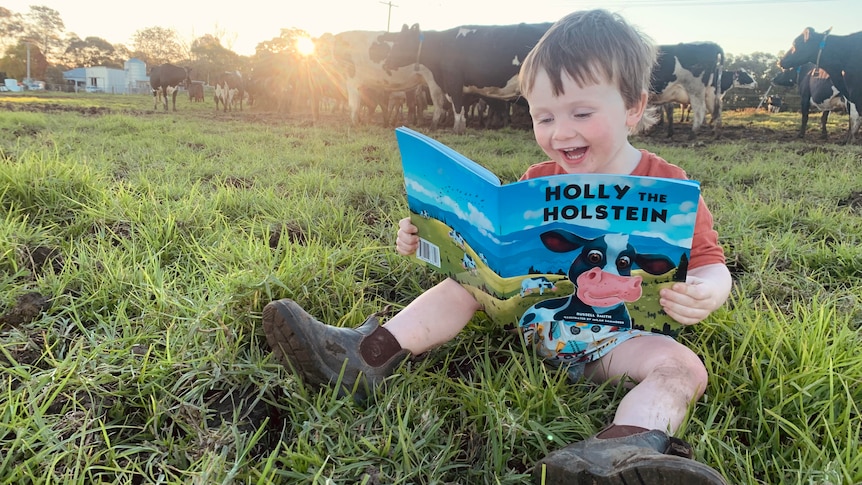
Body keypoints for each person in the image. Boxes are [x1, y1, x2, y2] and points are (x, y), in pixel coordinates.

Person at [262, 9, 732, 484]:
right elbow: (491, 247)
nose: (561, 132)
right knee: (462, 284)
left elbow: (713, 264)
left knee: (682, 367)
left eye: (582, 113)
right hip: (534, 321)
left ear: (633, 107)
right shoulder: (538, 181)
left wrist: (708, 289)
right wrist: (423, 235)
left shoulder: (671, 188)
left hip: (620, 343)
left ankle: (621, 451)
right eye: (544, 117)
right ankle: (365, 355)